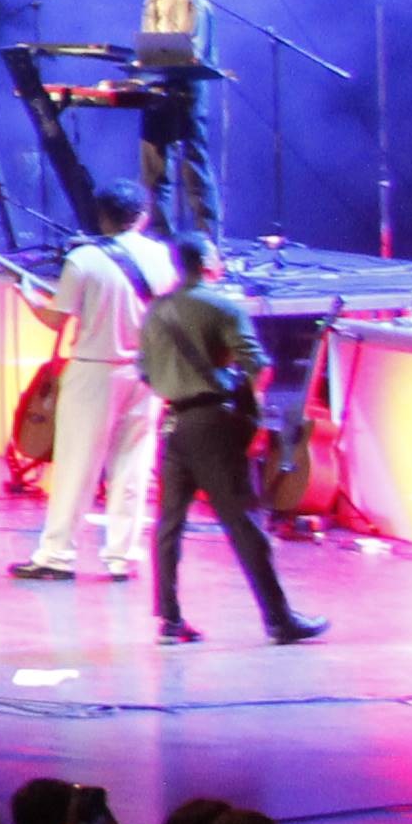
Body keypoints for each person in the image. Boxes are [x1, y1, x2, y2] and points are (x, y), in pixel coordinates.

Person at [136, 236, 320, 646]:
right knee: (244, 523)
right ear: (205, 263)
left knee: (169, 525)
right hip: (213, 422)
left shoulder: (154, 312)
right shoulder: (222, 306)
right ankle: (279, 619)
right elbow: (259, 366)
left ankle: (169, 619)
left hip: (173, 423)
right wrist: (249, 412)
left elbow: (145, 372)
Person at [3, 189, 169, 586]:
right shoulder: (161, 257)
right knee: (133, 466)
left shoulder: (84, 260)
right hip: (146, 371)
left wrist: (28, 297)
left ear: (102, 218)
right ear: (142, 216)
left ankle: (57, 554)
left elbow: (58, 320)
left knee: (77, 463)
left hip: (95, 371)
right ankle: (122, 557)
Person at [133, 0, 218, 237]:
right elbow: (149, 44)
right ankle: (158, 238)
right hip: (157, 86)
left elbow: (191, 50)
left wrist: (157, 58)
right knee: (153, 171)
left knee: (192, 166)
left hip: (184, 88)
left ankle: (206, 242)